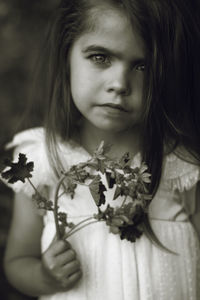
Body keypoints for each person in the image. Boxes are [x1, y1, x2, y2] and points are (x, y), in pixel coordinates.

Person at [2, 0, 200, 299]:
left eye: (142, 66)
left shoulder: (180, 163)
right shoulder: (42, 160)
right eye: (100, 57)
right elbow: (17, 261)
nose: (120, 83)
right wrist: (45, 276)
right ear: (67, 55)